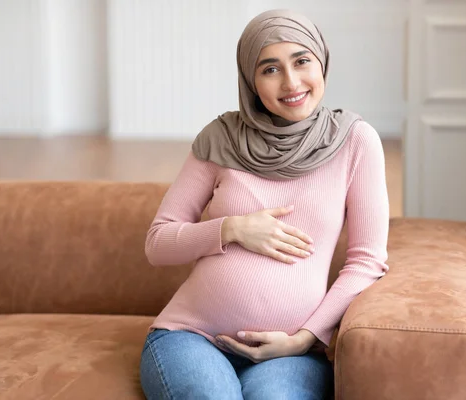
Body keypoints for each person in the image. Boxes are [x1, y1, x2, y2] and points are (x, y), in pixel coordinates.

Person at [139, 8, 389, 400]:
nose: (291, 82)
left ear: (321, 61)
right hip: (192, 337)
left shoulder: (355, 141)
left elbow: (367, 261)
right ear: (250, 80)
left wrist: (305, 338)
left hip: (291, 353)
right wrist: (232, 229)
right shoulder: (221, 138)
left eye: (302, 61)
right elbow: (157, 243)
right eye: (270, 69)